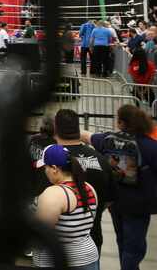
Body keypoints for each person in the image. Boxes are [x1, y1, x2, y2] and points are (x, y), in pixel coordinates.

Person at [83, 105, 157, 270]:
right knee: (135, 248)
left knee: (122, 241)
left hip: (115, 203)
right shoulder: (149, 146)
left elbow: (88, 137)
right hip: (139, 206)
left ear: (121, 122)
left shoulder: (108, 140)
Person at [53, 109, 114, 256]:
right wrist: (91, 211)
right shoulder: (101, 160)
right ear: (78, 128)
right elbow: (109, 199)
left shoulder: (51, 162)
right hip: (91, 240)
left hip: (57, 244)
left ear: (55, 129)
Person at [33, 144, 99, 270]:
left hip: (57, 261)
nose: (44, 172)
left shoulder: (53, 193)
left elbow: (41, 235)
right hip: (88, 258)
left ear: (54, 168)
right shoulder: (88, 188)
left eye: (45, 167)